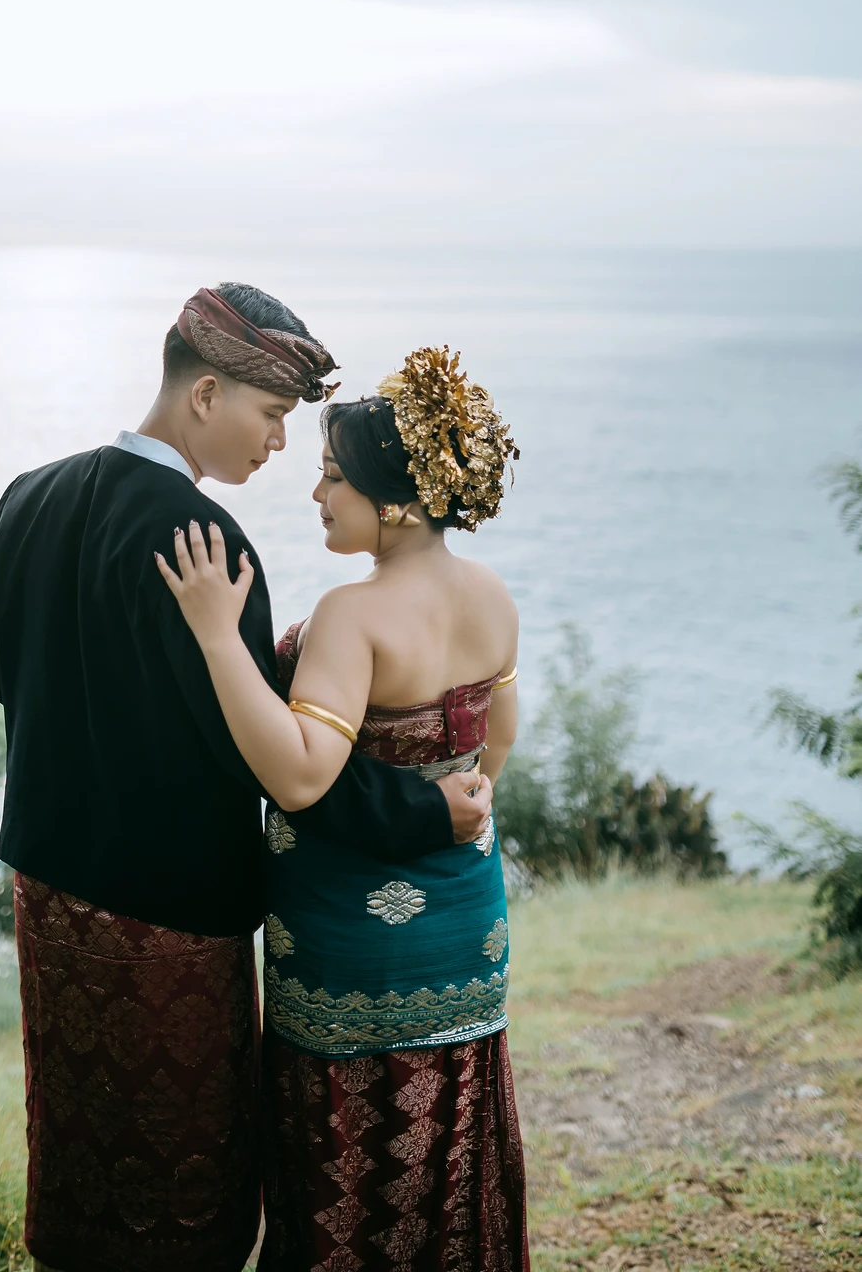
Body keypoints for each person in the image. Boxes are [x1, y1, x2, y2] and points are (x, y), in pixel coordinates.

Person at [0, 287, 494, 1272]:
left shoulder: (27, 492)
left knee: (77, 1132)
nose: (280, 443)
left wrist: (81, 736)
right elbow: (268, 752)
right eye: (272, 414)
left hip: (46, 885)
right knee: (182, 1169)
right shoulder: (207, 544)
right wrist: (425, 807)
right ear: (206, 393)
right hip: (169, 904)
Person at [158, 345, 529, 1270]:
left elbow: (298, 777)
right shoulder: (491, 595)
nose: (315, 492)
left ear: (393, 500)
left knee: (347, 1166)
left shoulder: (351, 614)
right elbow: (495, 748)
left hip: (350, 949)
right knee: (447, 1155)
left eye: (332, 476)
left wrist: (217, 637)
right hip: (464, 929)